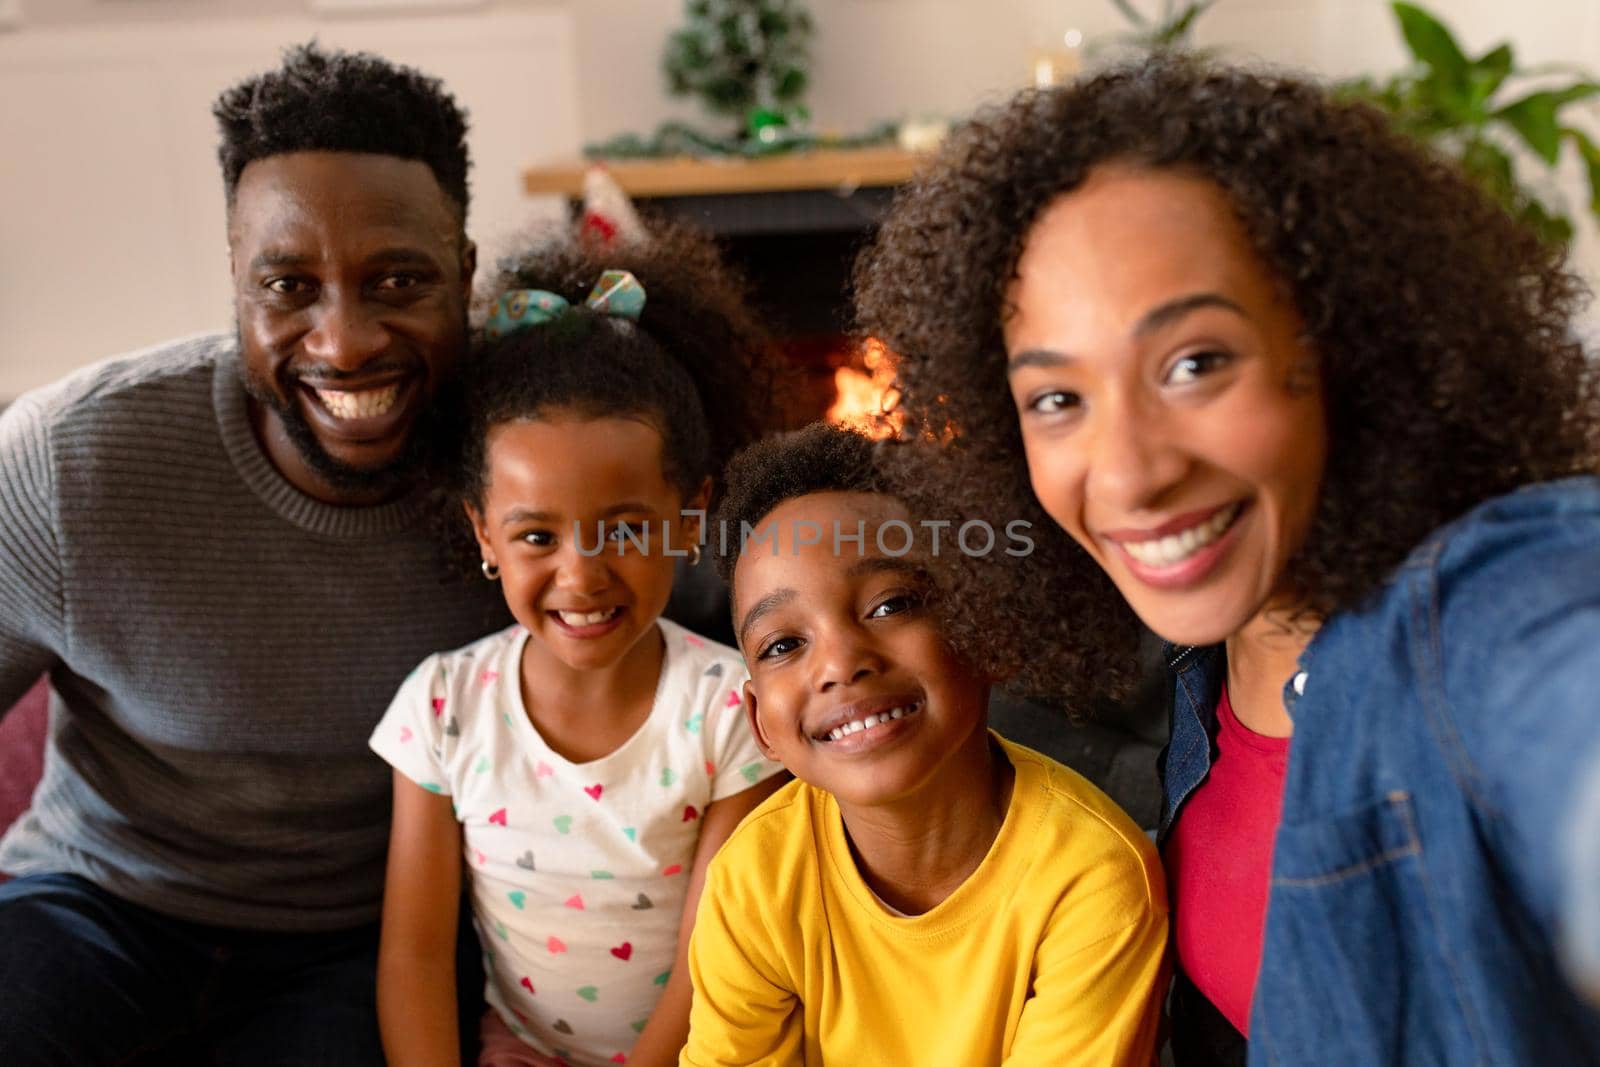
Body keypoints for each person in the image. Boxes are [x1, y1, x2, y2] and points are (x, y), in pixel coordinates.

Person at [855, 56, 1600, 1065]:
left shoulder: (1477, 599)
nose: (1126, 473)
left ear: (1338, 346)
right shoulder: (1184, 675)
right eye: (1057, 399)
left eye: (1195, 362)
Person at [0, 44, 508, 1065]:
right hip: (97, 896)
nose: (346, 340)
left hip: (371, 938)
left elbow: (744, 598)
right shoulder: (72, 458)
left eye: (397, 280)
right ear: (235, 287)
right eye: (288, 285)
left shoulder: (534, 460)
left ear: (465, 272)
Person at [371, 226, 788, 1067]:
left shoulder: (732, 708)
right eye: (536, 536)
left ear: (689, 514)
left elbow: (720, 961)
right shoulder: (443, 707)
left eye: (626, 528)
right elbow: (414, 955)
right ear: (482, 531)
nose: (582, 574)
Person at [681, 423, 1169, 1066]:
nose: (839, 663)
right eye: (783, 644)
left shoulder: (1093, 880)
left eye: (889, 605)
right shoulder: (755, 880)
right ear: (761, 725)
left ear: (987, 632)